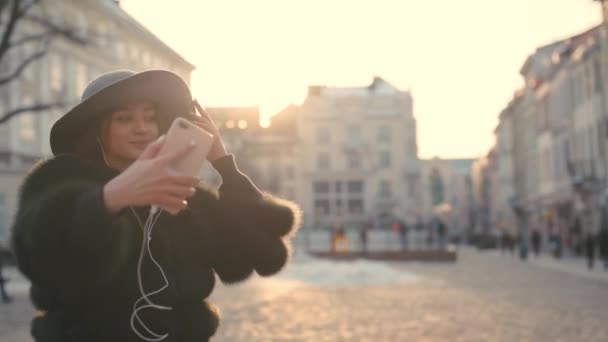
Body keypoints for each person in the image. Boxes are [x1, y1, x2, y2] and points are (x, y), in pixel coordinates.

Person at [11, 70, 301, 341]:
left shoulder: (182, 193)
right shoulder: (61, 179)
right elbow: (36, 246)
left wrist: (224, 164)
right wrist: (109, 199)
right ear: (97, 129)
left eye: (150, 118)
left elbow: (264, 256)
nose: (142, 129)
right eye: (124, 118)